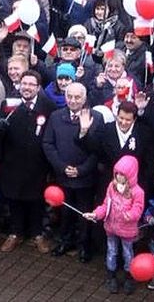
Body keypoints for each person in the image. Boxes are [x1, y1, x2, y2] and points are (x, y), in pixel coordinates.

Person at [0, 70, 57, 254]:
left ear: (38, 87)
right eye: (25, 84)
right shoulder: (9, 105)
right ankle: (15, 233)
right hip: (12, 162)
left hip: (37, 164)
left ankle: (37, 234)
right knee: (14, 199)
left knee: (36, 200)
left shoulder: (49, 107)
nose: (27, 88)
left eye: (32, 84)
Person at [43, 83, 103, 263]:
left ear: (85, 99)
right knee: (65, 212)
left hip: (86, 177)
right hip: (63, 175)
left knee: (85, 212)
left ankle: (84, 246)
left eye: (77, 97)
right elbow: (48, 144)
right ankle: (65, 241)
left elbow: (98, 150)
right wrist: (62, 167)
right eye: (70, 97)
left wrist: (81, 170)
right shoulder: (55, 116)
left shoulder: (96, 118)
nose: (73, 101)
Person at [83, 155, 144, 295]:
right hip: (111, 227)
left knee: (128, 253)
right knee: (112, 251)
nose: (119, 178)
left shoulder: (137, 192)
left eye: (122, 174)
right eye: (117, 174)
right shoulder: (111, 186)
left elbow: (138, 209)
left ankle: (129, 277)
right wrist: (96, 214)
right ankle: (111, 276)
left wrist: (130, 215)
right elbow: (106, 205)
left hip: (127, 230)